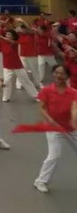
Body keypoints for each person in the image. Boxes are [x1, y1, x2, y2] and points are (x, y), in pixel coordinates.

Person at [33, 64, 77, 193]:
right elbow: (41, 108)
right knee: (54, 155)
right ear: (53, 74)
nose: (59, 76)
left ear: (67, 76)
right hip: (53, 128)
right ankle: (40, 181)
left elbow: (74, 108)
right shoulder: (47, 90)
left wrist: (73, 119)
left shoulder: (73, 93)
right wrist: (50, 119)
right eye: (57, 73)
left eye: (62, 73)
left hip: (70, 128)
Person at [0, 28, 39, 102]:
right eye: (6, 34)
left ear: (13, 36)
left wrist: (1, 37)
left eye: (9, 34)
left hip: (17, 65)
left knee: (25, 81)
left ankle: (37, 96)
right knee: (6, 81)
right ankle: (5, 97)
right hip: (7, 66)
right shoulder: (2, 42)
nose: (7, 35)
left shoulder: (15, 42)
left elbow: (12, 42)